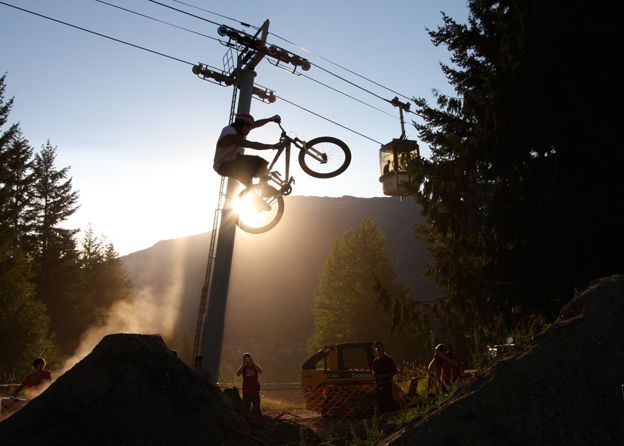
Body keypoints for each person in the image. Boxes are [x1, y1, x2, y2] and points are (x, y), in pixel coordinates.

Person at [214, 112, 282, 207]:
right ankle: (256, 201)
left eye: (250, 128)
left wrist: (270, 119)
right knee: (246, 174)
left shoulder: (239, 128)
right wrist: (272, 146)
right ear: (239, 125)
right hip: (222, 166)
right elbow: (252, 145)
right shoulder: (232, 136)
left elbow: (256, 124)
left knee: (260, 161)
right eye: (247, 128)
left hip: (233, 159)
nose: (249, 130)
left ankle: (264, 187)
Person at [372, 341, 398, 413]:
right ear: (376, 350)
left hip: (387, 384)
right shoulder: (375, 361)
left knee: (388, 401)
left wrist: (385, 375)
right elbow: (373, 372)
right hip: (378, 385)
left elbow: (395, 372)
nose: (379, 349)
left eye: (380, 347)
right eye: (378, 348)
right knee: (381, 402)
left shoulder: (388, 359)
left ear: (383, 349)